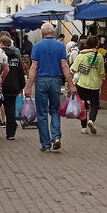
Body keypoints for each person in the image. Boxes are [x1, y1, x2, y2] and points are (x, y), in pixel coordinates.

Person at [24, 22, 77, 152]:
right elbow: (65, 66)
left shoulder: (37, 46)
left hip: (41, 81)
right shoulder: (60, 46)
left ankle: (46, 145)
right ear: (53, 33)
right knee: (55, 110)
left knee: (42, 113)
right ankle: (56, 137)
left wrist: (28, 87)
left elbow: (34, 67)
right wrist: (71, 85)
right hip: (56, 80)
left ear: (42, 34)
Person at [71, 35, 105, 135]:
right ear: (97, 44)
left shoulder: (81, 55)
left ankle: (83, 127)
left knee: (83, 105)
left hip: (82, 83)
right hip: (95, 84)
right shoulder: (100, 56)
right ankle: (92, 120)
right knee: (95, 104)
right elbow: (101, 72)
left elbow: (74, 69)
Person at [0, 32, 25, 141]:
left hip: (0, 85)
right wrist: (21, 86)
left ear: (0, 43)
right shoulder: (16, 56)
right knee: (10, 109)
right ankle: (10, 133)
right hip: (13, 86)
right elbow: (20, 72)